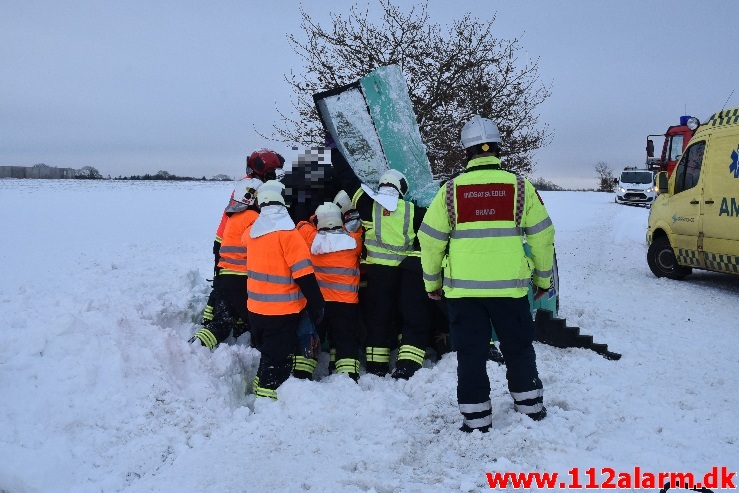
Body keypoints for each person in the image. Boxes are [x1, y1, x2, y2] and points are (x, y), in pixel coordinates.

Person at [418, 115, 555, 432]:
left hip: (464, 295)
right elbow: (543, 236)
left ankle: (476, 419)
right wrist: (543, 281)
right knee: (518, 348)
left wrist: (432, 282)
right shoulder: (520, 188)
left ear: (466, 152)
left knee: (470, 354)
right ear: (498, 149)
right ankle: (530, 406)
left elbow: (429, 238)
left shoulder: (450, 192)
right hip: (511, 291)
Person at [331, 147, 435, 380]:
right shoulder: (414, 211)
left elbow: (348, 179)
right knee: (406, 316)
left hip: (377, 275)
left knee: (377, 318)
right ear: (401, 189)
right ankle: (405, 364)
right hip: (405, 273)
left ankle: (377, 367)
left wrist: (334, 152)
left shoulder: (367, 205)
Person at [242, 180, 325, 400]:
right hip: (282, 312)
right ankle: (267, 406)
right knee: (277, 364)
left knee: (268, 356)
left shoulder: (251, 233)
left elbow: (244, 242)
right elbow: (304, 275)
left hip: (255, 310)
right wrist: (317, 304)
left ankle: (260, 391)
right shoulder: (289, 235)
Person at [190, 178, 263, 348]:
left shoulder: (232, 219)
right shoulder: (255, 218)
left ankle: (196, 346)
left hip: (225, 279)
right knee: (258, 322)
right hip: (243, 280)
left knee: (222, 322)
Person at [295, 200, 364, 381]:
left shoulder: (310, 238)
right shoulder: (353, 241)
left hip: (318, 303)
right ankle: (348, 376)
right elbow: (358, 228)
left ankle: (302, 374)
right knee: (346, 340)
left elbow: (302, 224)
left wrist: (314, 219)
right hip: (346, 304)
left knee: (312, 337)